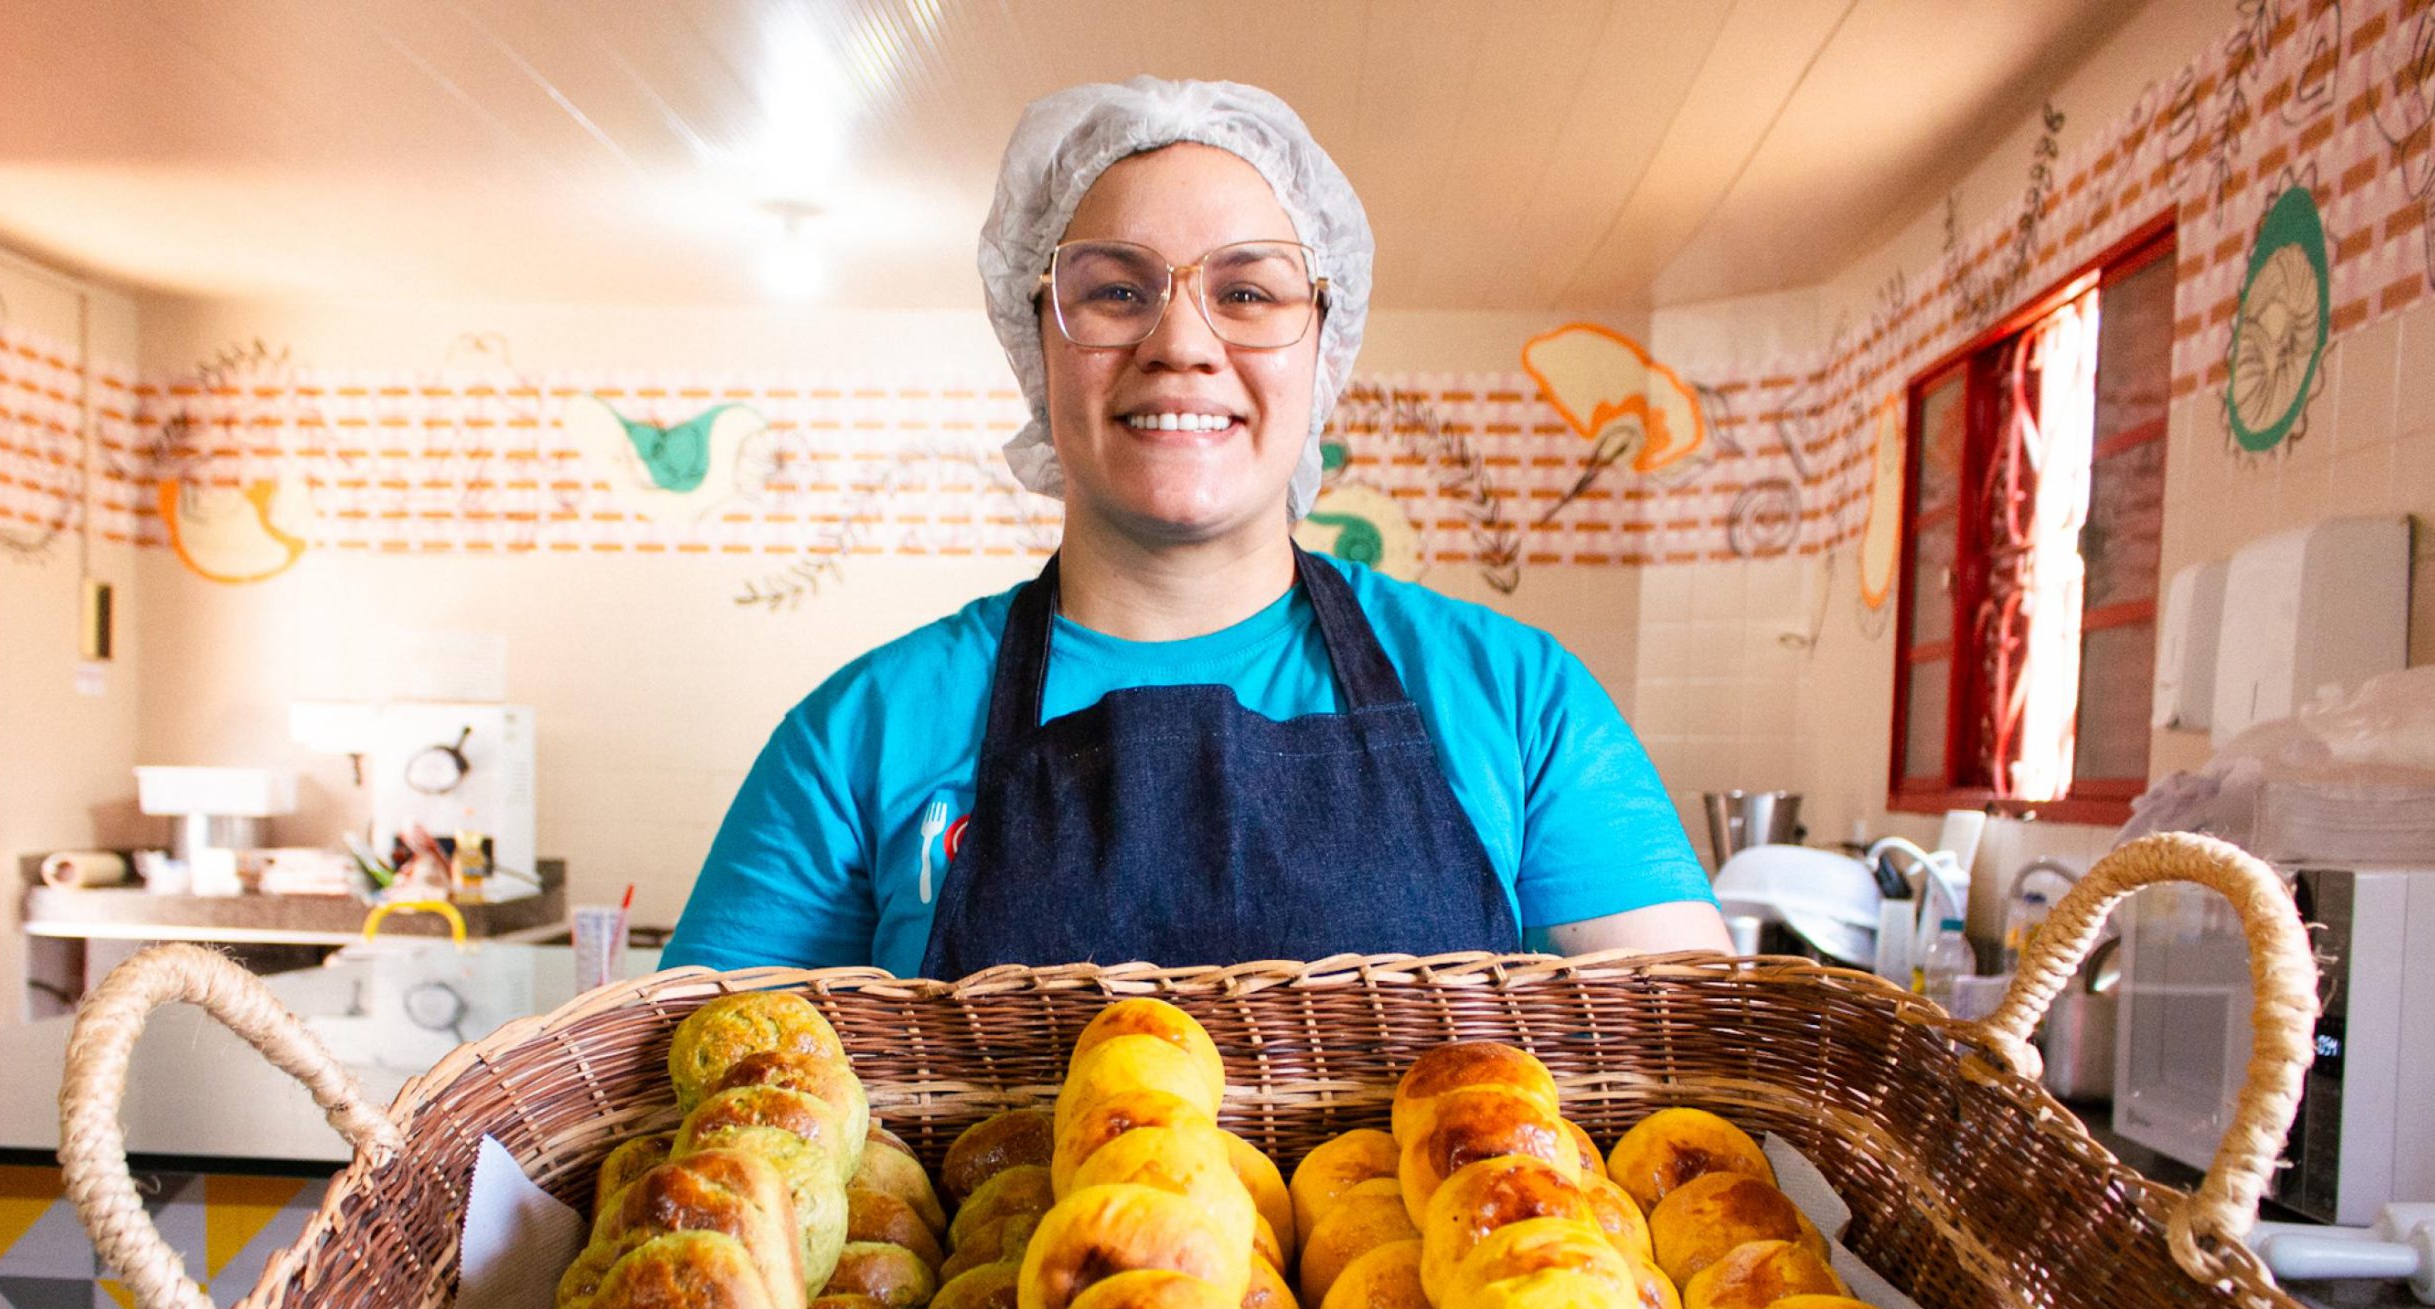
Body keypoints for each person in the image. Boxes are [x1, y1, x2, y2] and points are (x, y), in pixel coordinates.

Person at [666, 76, 1724, 980]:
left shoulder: (1518, 703)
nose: (1180, 342)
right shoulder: (860, 735)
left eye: (1248, 291)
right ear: (1037, 341)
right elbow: (685, 1116)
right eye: (1116, 289)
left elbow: (1695, 1069)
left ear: (1324, 344)